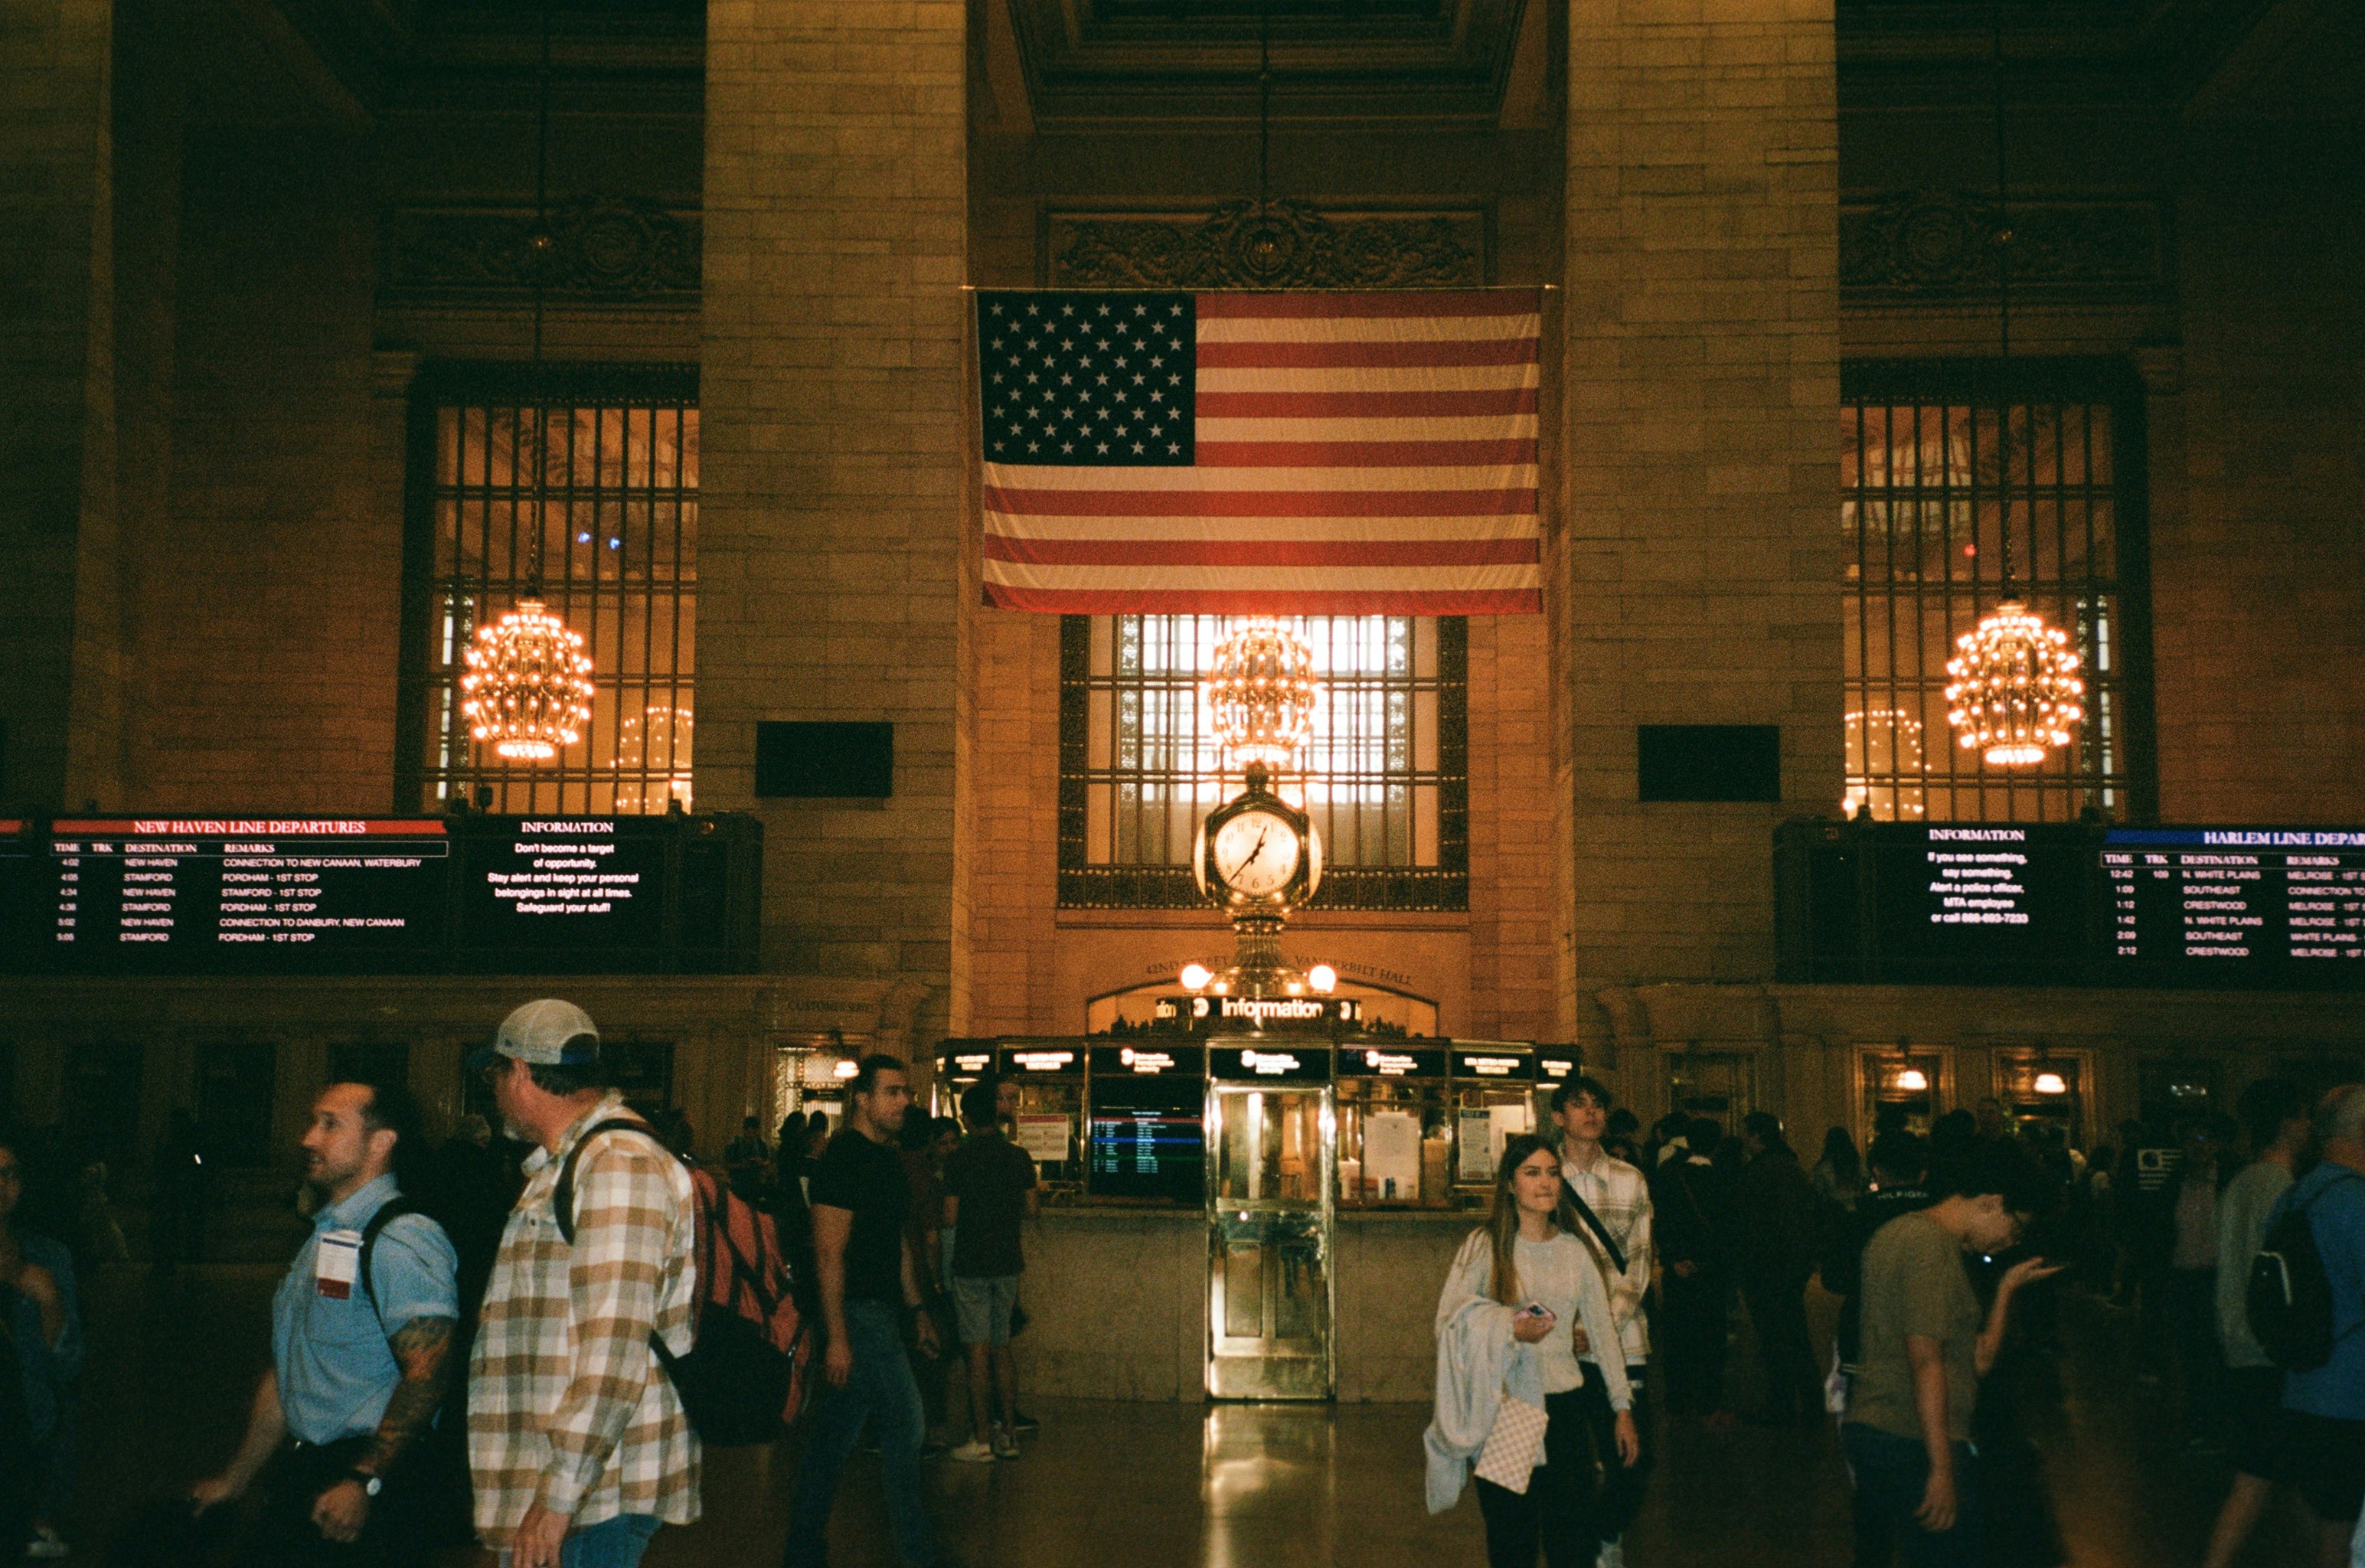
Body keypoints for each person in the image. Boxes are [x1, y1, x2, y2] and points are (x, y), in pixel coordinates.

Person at [467, 1001, 700, 1568]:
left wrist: (556, 1499)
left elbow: (613, 1348)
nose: (493, 1091)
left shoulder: (617, 1164)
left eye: (495, 1075)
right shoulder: (569, 1162)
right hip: (576, 1489)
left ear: (520, 1071)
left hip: (595, 1496)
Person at [188, 1080, 460, 1565]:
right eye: (314, 1122)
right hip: (306, 1476)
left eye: (330, 1124)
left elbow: (428, 1373)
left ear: (381, 1142)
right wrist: (237, 1478)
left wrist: (364, 1480)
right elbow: (291, 1373)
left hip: (362, 1488)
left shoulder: (402, 1237)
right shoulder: (328, 1236)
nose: (309, 1138)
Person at [1843, 1145, 2065, 1566]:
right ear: (1993, 1202)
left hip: (1899, 1433)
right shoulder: (1927, 1244)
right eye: (2016, 1228)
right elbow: (1926, 1360)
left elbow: (1975, 1362)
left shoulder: (1916, 1238)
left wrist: (2006, 1289)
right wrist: (1941, 1469)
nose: (2010, 1241)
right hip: (1910, 1436)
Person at [1426, 1132, 1638, 1568]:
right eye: (1532, 1173)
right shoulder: (1486, 1246)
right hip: (1510, 1411)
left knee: (1572, 1537)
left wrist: (1622, 1407)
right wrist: (1508, 1328)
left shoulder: (1575, 1251)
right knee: (1511, 1536)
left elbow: (1603, 1335)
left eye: (1553, 1173)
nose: (1545, 1183)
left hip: (1565, 1409)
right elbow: (1448, 1321)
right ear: (1510, 1184)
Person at [782, 1055, 947, 1568]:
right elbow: (828, 1251)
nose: (905, 1102)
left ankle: (803, 1549)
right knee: (906, 1424)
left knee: (834, 1436)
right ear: (863, 1099)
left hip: (882, 1309)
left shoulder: (887, 1161)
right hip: (855, 1311)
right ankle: (917, 1554)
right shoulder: (843, 1159)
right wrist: (837, 1336)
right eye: (893, 1093)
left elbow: (896, 1242)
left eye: (908, 1093)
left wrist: (916, 1306)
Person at [2200, 1076, 2311, 1568]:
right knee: (2275, 1482)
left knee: (2259, 1480)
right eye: (2306, 1118)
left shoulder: (2240, 1183)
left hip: (2239, 1347)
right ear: (2290, 1125)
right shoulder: (2282, 1189)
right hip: (2272, 1353)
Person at [1549, 1076, 1654, 1568]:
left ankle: (1604, 1533)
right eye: (1578, 1105)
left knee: (1634, 1459)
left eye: (1598, 1105)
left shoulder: (1631, 1179)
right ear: (1558, 1117)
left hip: (1624, 1340)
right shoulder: (1543, 1177)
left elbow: (1638, 1261)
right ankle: (1579, 1548)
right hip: (1559, 1346)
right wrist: (1564, 1323)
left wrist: (1602, 1323)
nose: (1590, 1113)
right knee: (1567, 1461)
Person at [2264, 1083, 2365, 1568]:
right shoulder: (2357, 1203)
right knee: (2343, 1539)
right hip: (2352, 1396)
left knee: (2323, 1529)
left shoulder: (2293, 1198)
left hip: (2300, 1383)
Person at [1828, 1132, 1934, 1568]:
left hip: (1866, 1345)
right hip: (1929, 1345)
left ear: (1876, 1171)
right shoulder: (1938, 1215)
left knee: (1871, 1459)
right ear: (1924, 1172)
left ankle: (1873, 1552)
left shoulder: (1857, 1213)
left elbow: (1835, 1278)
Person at [942, 1081, 1040, 1463]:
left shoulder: (958, 1161)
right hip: (1007, 1263)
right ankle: (1009, 1435)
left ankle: (981, 1440)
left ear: (966, 1119)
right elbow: (1032, 1210)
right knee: (1002, 1348)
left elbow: (949, 1216)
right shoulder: (1019, 1157)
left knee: (976, 1352)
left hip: (970, 1264)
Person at [0, 1129, 80, 1561]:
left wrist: (50, 1306)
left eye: (9, 1173)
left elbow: (68, 1366)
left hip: (26, 1444)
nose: (0, 1185)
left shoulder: (49, 1257)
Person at [1735, 1110, 1822, 1426]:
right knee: (1796, 1335)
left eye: (1747, 1133)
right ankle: (1812, 1403)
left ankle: (1782, 1402)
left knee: (1775, 1339)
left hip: (1767, 1267)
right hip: (1790, 1267)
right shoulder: (1792, 1168)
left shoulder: (1760, 1171)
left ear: (1757, 1136)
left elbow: (1752, 1225)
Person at [1649, 1116, 1733, 1423]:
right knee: (1711, 1337)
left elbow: (1662, 1222)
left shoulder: (1670, 1175)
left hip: (1677, 1269)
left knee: (1677, 1336)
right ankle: (1708, 1400)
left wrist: (1673, 1259)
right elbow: (1728, 1230)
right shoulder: (1725, 1180)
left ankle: (1677, 1398)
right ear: (1717, 1145)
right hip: (1712, 1272)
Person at [2165, 1116, 2236, 1449]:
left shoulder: (2229, 1181)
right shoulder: (2174, 1183)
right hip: (2184, 1277)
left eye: (2204, 1137)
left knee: (2218, 1353)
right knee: (2192, 1354)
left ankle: (2218, 1423)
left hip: (2217, 1277)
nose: (2198, 1146)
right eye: (2190, 1139)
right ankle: (2199, 1422)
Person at [896, 1109, 953, 1456]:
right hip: (918, 1275)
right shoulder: (924, 1176)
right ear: (930, 1140)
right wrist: (936, 1282)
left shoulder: (888, 1167)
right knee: (930, 1355)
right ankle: (934, 1428)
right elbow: (932, 1237)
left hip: (890, 1275)